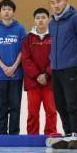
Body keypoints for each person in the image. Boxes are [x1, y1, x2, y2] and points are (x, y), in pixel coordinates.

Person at [48, 0, 77, 149]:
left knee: (72, 102)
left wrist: (75, 59)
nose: (56, 5)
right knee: (60, 103)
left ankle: (76, 135)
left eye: (58, 1)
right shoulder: (52, 23)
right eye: (52, 3)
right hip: (56, 69)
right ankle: (67, 135)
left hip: (71, 67)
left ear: (65, 0)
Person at [0, 0, 27, 135]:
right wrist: (4, 67)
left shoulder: (20, 29)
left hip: (16, 75)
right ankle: (1, 135)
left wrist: (14, 67)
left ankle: (14, 135)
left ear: (13, 11)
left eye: (9, 9)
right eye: (4, 9)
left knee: (15, 107)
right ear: (0, 11)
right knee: (1, 107)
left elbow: (24, 50)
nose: (6, 12)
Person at [22, 7, 58, 136]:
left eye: (43, 17)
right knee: (32, 111)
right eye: (38, 18)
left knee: (51, 110)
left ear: (48, 19)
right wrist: (37, 75)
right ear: (34, 20)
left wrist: (47, 75)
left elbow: (56, 56)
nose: (40, 20)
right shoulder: (27, 39)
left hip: (50, 80)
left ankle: (51, 134)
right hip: (33, 82)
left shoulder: (55, 37)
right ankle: (32, 137)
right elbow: (25, 60)